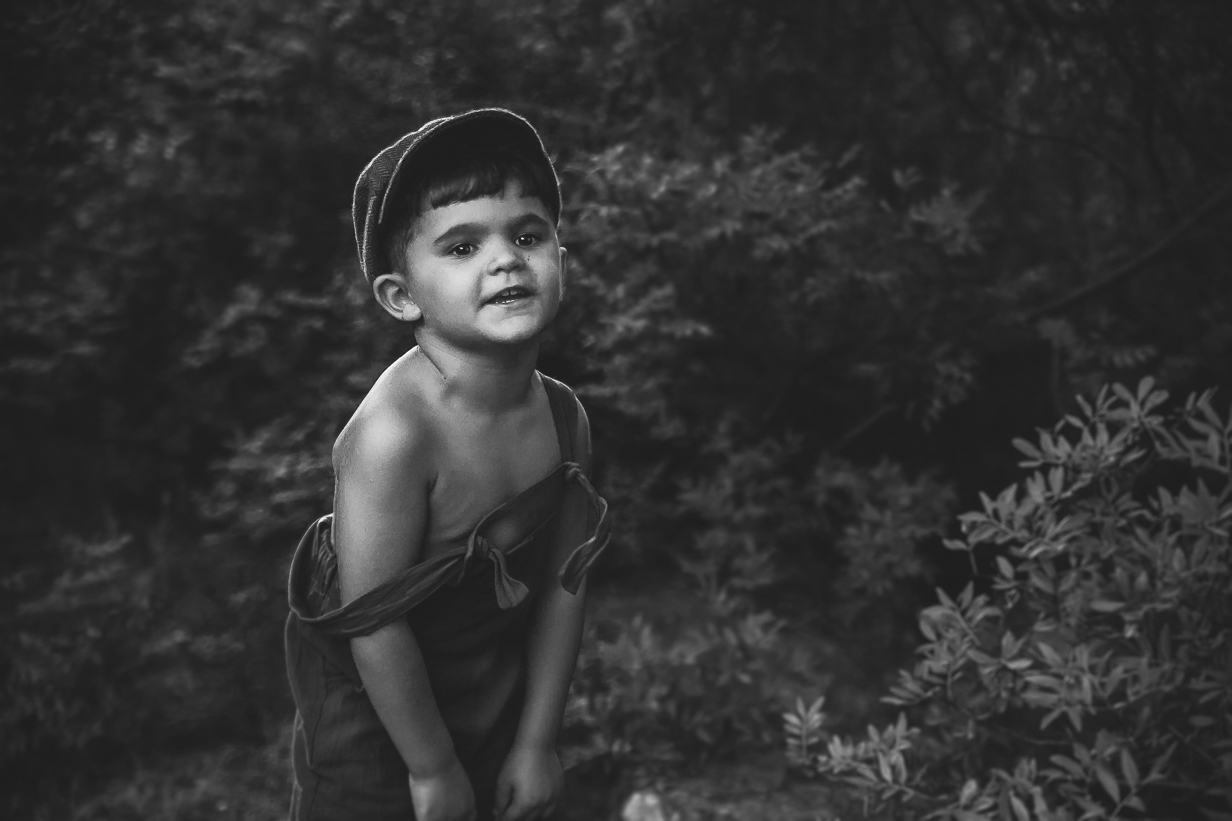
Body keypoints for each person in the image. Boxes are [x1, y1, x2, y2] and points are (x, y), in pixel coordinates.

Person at [284, 109, 611, 821]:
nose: (505, 259)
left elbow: (563, 583)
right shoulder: (393, 435)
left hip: (488, 683)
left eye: (528, 234)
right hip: (376, 709)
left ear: (562, 256)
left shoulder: (563, 418)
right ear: (403, 296)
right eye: (462, 247)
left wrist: (537, 740)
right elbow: (374, 623)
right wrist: (430, 768)